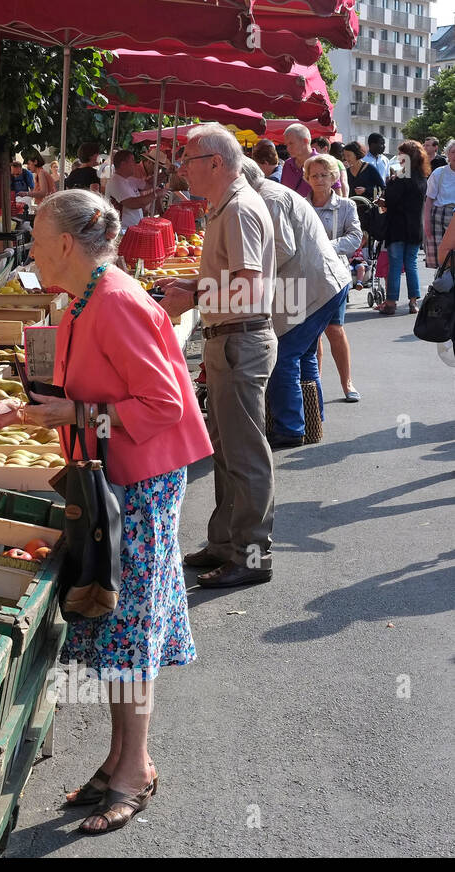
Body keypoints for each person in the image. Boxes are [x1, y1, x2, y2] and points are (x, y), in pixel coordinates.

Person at [0, 190, 210, 835]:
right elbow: (82, 395)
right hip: (110, 477)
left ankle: (134, 771)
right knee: (117, 623)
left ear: (66, 245)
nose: (29, 248)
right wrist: (23, 410)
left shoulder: (113, 302)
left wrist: (76, 415)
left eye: (36, 237)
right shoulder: (84, 300)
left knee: (130, 627)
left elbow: (161, 405)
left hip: (138, 481)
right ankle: (119, 760)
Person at [158, 123, 277, 589]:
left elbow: (249, 282)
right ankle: (228, 544)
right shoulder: (229, 206)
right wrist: (192, 286)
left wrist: (192, 296)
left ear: (215, 163)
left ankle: (251, 553)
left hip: (240, 339)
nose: (182, 169)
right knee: (228, 450)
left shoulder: (239, 209)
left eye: (188, 159)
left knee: (244, 455)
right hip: (232, 337)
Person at [240, 158, 350, 454]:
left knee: (284, 354)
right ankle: (311, 419)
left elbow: (283, 249)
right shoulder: (268, 194)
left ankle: (291, 429)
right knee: (302, 354)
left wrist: (248, 272)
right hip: (316, 282)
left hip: (313, 284)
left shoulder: (269, 199)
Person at [304, 155, 363, 405]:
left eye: (324, 174)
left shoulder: (346, 206)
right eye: (314, 175)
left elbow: (355, 237)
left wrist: (326, 247)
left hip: (334, 277)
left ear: (334, 177)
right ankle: (313, 386)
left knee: (334, 329)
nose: (319, 179)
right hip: (304, 275)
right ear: (307, 178)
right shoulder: (299, 205)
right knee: (310, 334)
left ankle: (346, 382)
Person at [377, 139, 428, 315]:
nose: (398, 157)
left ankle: (391, 302)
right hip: (414, 227)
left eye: (400, 154)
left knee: (395, 265)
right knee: (411, 264)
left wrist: (384, 195)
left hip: (397, 227)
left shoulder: (398, 179)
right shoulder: (421, 179)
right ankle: (413, 303)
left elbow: (390, 201)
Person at [105, 149, 164, 230]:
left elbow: (150, 184)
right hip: (121, 229)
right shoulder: (116, 181)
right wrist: (156, 194)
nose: (134, 164)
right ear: (123, 164)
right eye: (132, 161)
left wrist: (166, 173)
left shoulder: (129, 179)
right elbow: (132, 203)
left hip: (131, 228)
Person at [424, 139, 455, 269]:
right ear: (448, 154)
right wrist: (426, 224)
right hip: (437, 216)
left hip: (454, 217)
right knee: (439, 259)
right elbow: (429, 199)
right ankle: (440, 285)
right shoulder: (439, 172)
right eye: (453, 152)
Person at [279, 123, 314, 198]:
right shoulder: (288, 164)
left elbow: (336, 195)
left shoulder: (323, 162)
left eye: (291, 143)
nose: (288, 148)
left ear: (305, 141)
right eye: (287, 145)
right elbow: (284, 192)